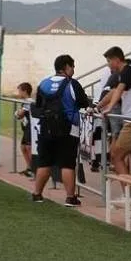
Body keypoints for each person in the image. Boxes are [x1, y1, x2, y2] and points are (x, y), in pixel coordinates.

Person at [30, 55, 92, 206]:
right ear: (66, 67)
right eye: (72, 66)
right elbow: (84, 102)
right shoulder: (72, 84)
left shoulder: (44, 83)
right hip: (68, 129)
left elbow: (38, 105)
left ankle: (37, 194)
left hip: (45, 128)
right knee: (67, 164)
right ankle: (70, 197)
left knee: (44, 162)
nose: (74, 70)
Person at [98, 46, 131, 177]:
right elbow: (114, 91)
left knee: (116, 156)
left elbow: (119, 90)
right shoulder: (127, 72)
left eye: (109, 61)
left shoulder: (127, 71)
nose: (109, 65)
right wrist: (99, 105)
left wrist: (109, 107)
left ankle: (128, 192)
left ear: (116, 59)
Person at [14, 82, 34, 177]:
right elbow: (19, 116)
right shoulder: (25, 101)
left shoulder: (29, 101)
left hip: (30, 128)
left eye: (20, 91)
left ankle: (33, 169)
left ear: (25, 91)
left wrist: (17, 113)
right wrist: (18, 114)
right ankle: (29, 167)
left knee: (28, 148)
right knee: (23, 147)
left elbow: (20, 114)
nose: (18, 93)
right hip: (26, 128)